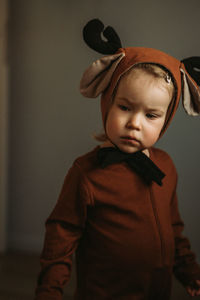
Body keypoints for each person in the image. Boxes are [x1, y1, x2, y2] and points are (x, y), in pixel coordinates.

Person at [35, 20, 200, 299]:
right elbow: (60, 237)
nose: (134, 123)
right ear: (107, 102)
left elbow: (173, 229)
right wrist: (49, 291)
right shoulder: (86, 173)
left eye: (151, 115)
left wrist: (190, 272)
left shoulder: (166, 167)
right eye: (124, 107)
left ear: (166, 119)